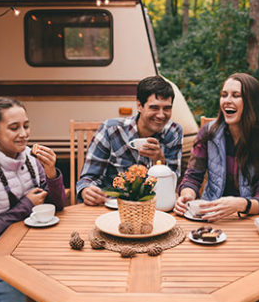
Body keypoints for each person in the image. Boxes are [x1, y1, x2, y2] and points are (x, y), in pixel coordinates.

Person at [0, 97, 66, 302]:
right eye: (14, 127)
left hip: (27, 258)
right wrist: (25, 205)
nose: (24, 133)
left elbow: (56, 208)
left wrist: (51, 174)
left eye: (26, 126)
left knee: (68, 299)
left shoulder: (30, 157)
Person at [174, 72, 259, 220]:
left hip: (251, 218)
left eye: (236, 95)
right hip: (210, 215)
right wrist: (187, 195)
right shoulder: (208, 133)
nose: (227, 101)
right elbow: (192, 177)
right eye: (224, 95)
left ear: (252, 102)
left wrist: (239, 204)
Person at [77, 75, 183, 205]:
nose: (161, 115)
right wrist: (87, 190)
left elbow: (173, 185)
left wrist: (159, 160)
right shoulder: (111, 130)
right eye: (154, 108)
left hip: (153, 208)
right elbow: (88, 178)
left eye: (167, 108)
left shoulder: (173, 132)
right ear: (139, 105)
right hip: (112, 206)